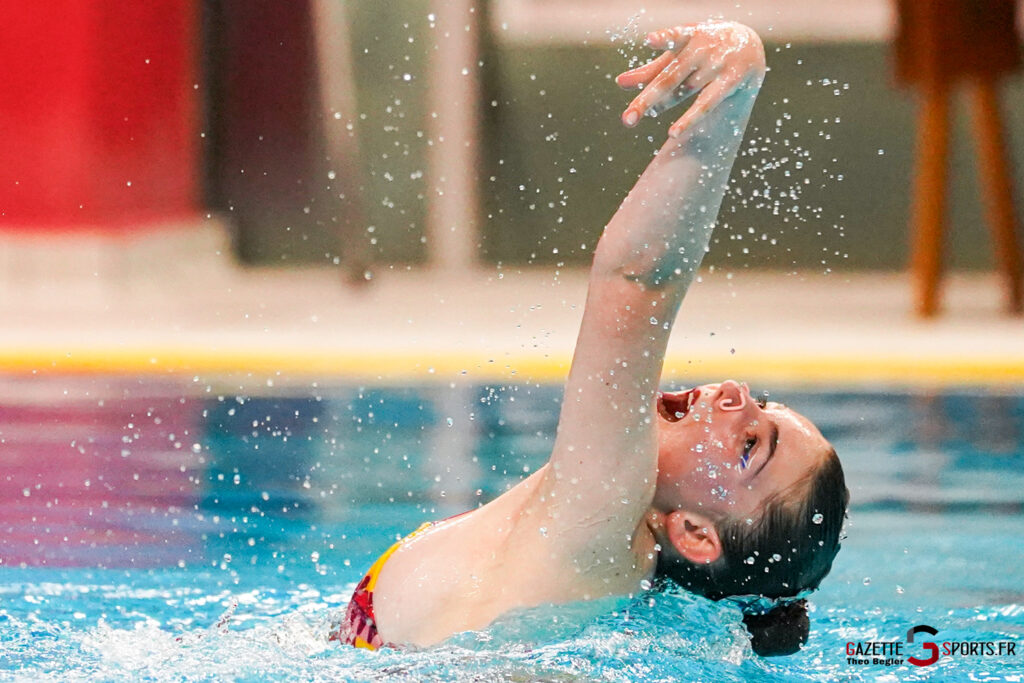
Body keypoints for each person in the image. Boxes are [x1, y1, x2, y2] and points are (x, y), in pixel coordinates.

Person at [332, 19, 849, 657]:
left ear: (694, 533)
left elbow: (637, 280)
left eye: (750, 446)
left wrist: (739, 81)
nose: (738, 394)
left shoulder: (603, 509)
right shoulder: (604, 557)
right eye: (763, 405)